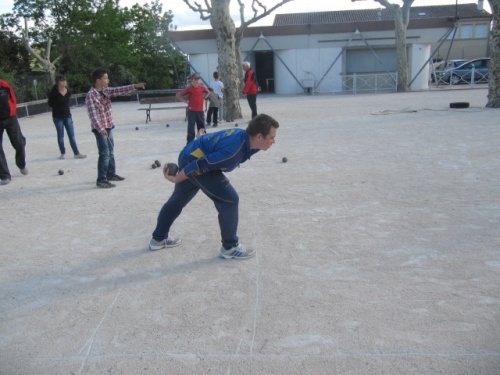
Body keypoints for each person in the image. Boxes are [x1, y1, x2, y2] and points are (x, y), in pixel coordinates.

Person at [149, 113, 279, 259]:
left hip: (190, 153)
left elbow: (216, 140)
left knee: (179, 198)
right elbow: (202, 164)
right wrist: (177, 178)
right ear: (259, 137)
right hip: (195, 162)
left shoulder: (245, 138)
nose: (274, 141)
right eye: (272, 137)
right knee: (230, 199)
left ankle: (158, 239)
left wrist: (201, 139)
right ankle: (230, 247)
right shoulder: (233, 151)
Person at [86, 68, 145, 188]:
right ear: (98, 80)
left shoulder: (106, 91)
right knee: (104, 153)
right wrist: (100, 129)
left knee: (111, 151)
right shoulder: (91, 95)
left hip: (108, 125)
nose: (108, 80)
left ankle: (111, 174)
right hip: (100, 129)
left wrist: (135, 86)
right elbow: (93, 115)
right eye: (106, 78)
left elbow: (119, 90)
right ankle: (101, 179)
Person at [48, 75, 87, 160]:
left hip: (67, 115)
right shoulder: (53, 93)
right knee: (60, 135)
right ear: (58, 83)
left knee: (71, 135)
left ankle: (76, 153)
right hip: (57, 117)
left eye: (65, 80)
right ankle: (62, 152)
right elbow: (50, 104)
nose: (64, 82)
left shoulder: (68, 91)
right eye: (62, 81)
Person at [0, 80, 28, 186]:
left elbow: (13, 98)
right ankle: (4, 175)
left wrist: (12, 111)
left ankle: (21, 164)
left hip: (10, 118)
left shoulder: (4, 85)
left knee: (19, 142)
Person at [176, 72, 209, 143]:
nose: (197, 80)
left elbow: (208, 92)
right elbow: (178, 95)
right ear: (192, 80)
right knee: (191, 127)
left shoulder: (202, 88)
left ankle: (203, 141)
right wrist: (185, 101)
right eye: (195, 79)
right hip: (192, 110)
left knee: (202, 126)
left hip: (200, 110)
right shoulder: (189, 89)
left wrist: (204, 97)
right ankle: (190, 142)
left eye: (198, 78)